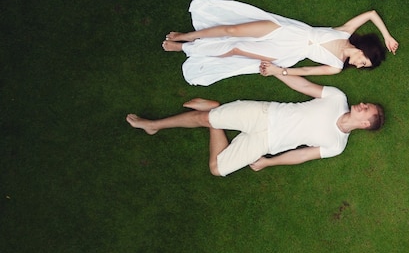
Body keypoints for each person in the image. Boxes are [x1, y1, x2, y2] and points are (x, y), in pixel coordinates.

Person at [126, 62, 385, 177]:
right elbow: (304, 87)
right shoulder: (337, 98)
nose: (361, 104)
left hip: (267, 144)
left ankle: (217, 112)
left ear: (364, 124)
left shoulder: (336, 145)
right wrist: (277, 71)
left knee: (217, 169)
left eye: (366, 109)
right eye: (365, 104)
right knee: (205, 118)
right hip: (264, 113)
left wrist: (268, 163)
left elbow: (302, 155)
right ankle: (153, 125)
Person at [162, 0, 399, 86]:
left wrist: (280, 71)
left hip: (286, 54)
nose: (359, 66)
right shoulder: (344, 32)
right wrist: (387, 36)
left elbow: (306, 69)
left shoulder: (336, 67)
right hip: (287, 32)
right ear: (365, 51)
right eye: (364, 62)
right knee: (233, 29)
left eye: (363, 67)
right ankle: (185, 35)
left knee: (235, 49)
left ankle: (183, 47)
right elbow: (370, 14)